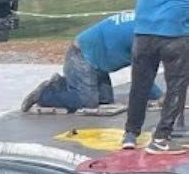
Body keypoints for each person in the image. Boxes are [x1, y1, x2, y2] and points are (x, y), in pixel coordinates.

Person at [123, 0, 189, 151]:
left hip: (144, 27)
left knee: (140, 84)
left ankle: (130, 134)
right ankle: (161, 138)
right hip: (174, 30)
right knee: (177, 85)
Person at [22, 11, 157, 113]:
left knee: (105, 102)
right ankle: (46, 93)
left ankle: (65, 83)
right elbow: (142, 72)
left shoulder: (146, 21)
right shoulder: (143, 34)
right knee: (87, 103)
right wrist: (159, 97)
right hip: (81, 56)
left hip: (98, 63)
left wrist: (153, 97)